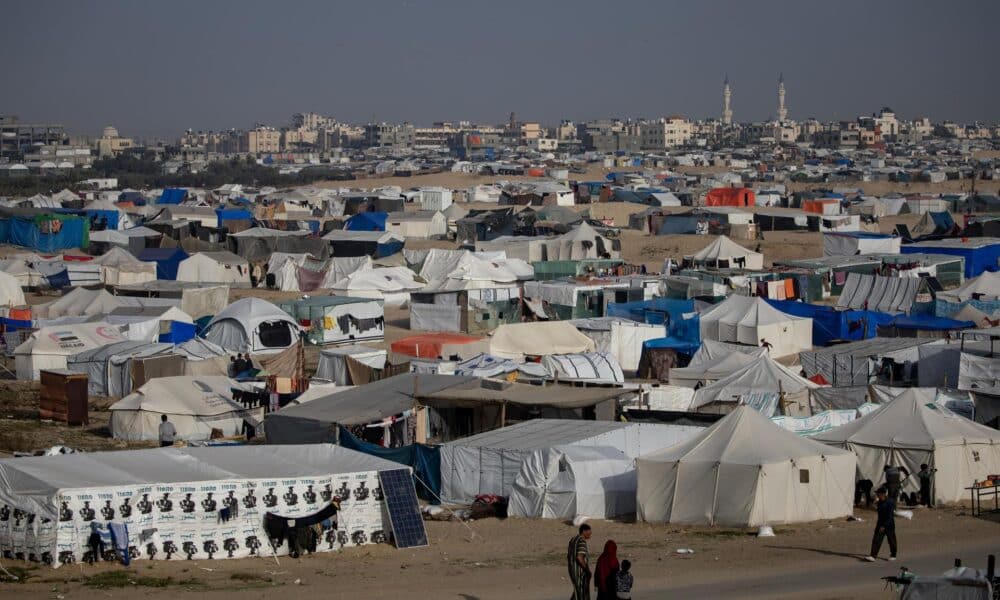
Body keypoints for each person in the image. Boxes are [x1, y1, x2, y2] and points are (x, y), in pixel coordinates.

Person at [865, 488, 897, 562]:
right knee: (876, 539)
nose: (877, 495)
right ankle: (873, 556)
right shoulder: (879, 502)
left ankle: (893, 555)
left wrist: (884, 526)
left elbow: (890, 516)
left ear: (882, 494)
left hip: (889, 525)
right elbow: (879, 513)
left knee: (891, 540)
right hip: (880, 523)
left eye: (878, 494)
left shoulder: (889, 502)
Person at [567, 524, 592, 600]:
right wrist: (587, 570)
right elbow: (579, 557)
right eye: (589, 532)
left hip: (572, 570)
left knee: (577, 591)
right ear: (584, 531)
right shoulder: (581, 540)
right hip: (579, 572)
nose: (590, 534)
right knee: (581, 593)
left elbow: (569, 555)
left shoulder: (573, 539)